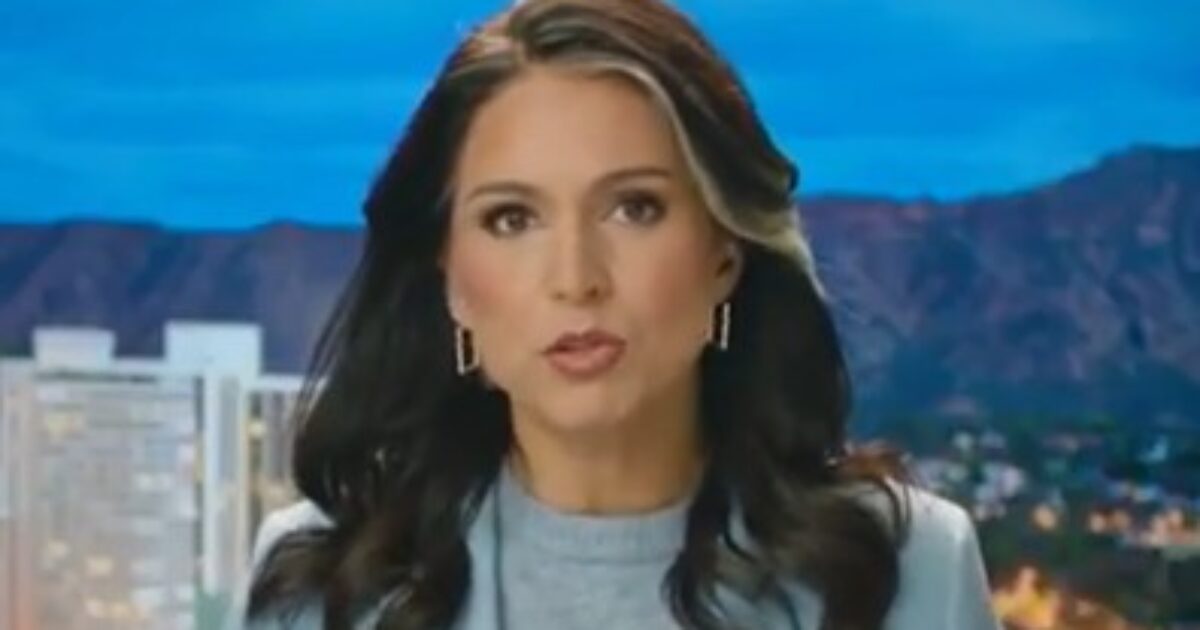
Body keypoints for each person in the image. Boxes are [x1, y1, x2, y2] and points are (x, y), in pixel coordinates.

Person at [236, 0, 1002, 628]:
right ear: (452, 279)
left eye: (635, 208)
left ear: (725, 252)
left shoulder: (909, 572)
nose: (576, 279)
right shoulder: (325, 588)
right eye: (512, 219)